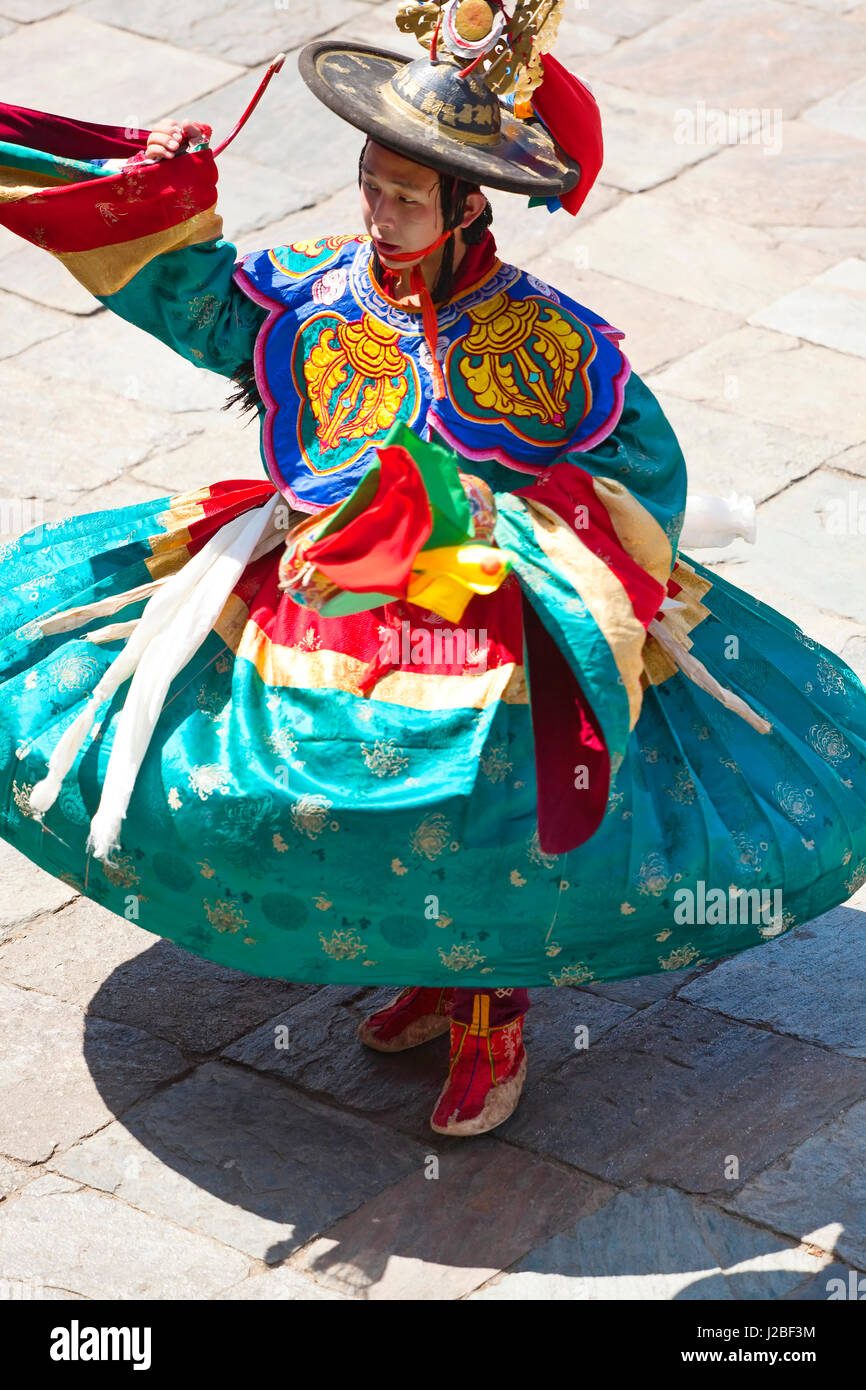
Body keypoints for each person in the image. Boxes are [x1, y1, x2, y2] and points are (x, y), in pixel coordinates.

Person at [1, 1, 865, 1139]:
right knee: (301, 789)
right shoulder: (311, 284)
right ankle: (429, 966)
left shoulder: (550, 344)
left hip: (484, 613)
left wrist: (520, 531)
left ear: (469, 208)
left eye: (407, 197)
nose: (379, 212)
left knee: (471, 805)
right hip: (317, 583)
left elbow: (641, 473)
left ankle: (487, 1011)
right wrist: (153, 184)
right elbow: (198, 299)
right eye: (369, 183)